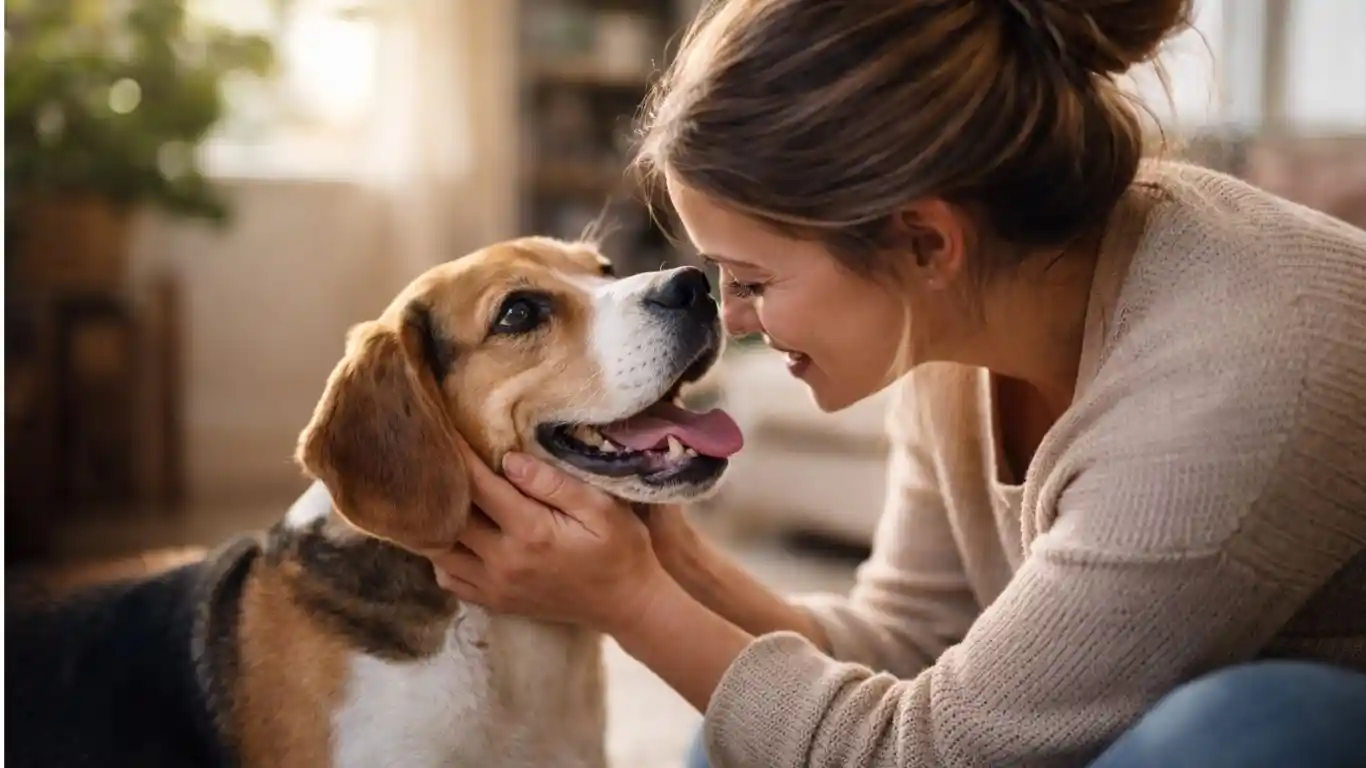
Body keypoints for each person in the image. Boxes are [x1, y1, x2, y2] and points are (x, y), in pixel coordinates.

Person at [415, 1, 1366, 766]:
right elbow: (906, 643)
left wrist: (628, 604)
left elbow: (929, 749)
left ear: (923, 241)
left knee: (1254, 723)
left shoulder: (1234, 382)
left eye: (752, 281)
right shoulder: (957, 313)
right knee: (741, 731)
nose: (730, 320)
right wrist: (668, 559)